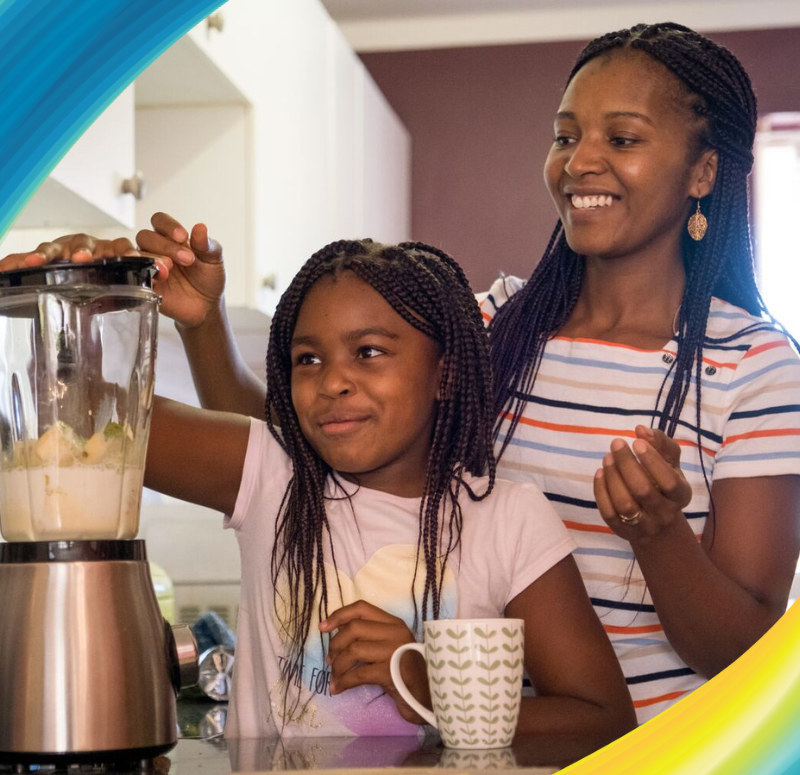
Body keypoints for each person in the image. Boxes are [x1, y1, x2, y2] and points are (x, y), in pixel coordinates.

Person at [5, 21, 798, 726]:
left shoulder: (755, 367)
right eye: (565, 136)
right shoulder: (493, 327)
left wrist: (658, 535)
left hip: (660, 750)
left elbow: (741, 650)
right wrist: (203, 326)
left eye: (621, 139)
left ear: (703, 172)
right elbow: (299, 448)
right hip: (459, 747)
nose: (579, 161)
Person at [2, 237, 634, 740]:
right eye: (308, 359)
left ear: (444, 374)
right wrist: (77, 299)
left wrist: (428, 684)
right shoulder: (272, 473)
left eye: (368, 352)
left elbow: (602, 717)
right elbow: (79, 413)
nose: (332, 381)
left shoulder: (507, 517)